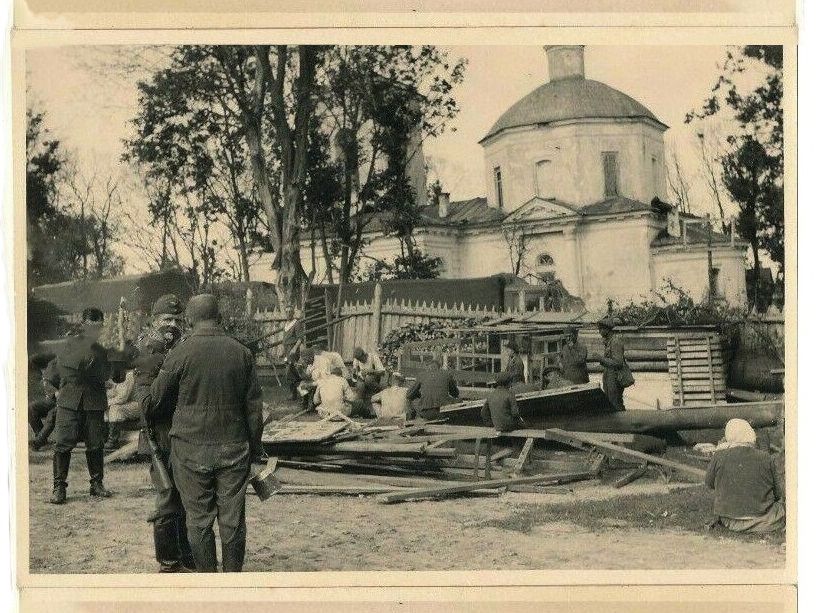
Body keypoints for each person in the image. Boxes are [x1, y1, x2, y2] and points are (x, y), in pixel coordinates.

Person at [146, 294, 263, 573]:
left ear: (189, 320)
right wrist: (256, 450)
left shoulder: (179, 353)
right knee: (233, 520)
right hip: (234, 448)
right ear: (219, 318)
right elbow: (254, 411)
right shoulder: (242, 353)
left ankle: (207, 581)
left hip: (189, 449)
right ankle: (232, 581)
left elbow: (155, 401)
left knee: (198, 521)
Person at [134, 293, 195, 573]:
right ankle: (169, 563)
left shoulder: (180, 347)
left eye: (176, 319)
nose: (172, 324)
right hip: (160, 436)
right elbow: (146, 405)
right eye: (166, 319)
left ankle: (187, 557)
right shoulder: (148, 352)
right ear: (155, 320)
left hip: (181, 435)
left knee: (184, 499)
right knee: (168, 498)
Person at [48, 307, 112, 505]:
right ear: (83, 326)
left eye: (99, 327)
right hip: (69, 402)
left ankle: (96, 484)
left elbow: (115, 377)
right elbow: (54, 373)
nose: (96, 330)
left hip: (94, 403)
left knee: (96, 444)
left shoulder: (103, 350)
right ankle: (59, 487)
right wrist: (55, 391)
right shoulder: (69, 345)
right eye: (92, 326)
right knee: (63, 444)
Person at [705, 419, 785, 533]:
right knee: (784, 507)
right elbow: (778, 494)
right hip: (763, 520)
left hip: (729, 521)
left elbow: (709, 483)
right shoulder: (766, 457)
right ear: (750, 434)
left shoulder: (718, 455)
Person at [590, 317, 632, 412]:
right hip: (609, 376)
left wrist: (601, 359)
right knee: (610, 403)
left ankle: (621, 425)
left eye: (601, 329)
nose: (599, 331)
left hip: (615, 377)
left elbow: (618, 362)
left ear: (607, 329)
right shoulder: (608, 342)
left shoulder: (615, 342)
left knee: (615, 403)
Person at [28, 352, 59, 451]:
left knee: (52, 413)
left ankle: (39, 440)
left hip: (68, 400)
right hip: (54, 399)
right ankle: (40, 437)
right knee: (31, 408)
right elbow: (48, 383)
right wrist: (55, 392)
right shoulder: (53, 363)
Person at [103, 366, 138, 450]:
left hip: (137, 404)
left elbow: (122, 397)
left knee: (115, 409)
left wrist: (105, 403)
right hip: (123, 404)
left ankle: (113, 441)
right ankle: (104, 439)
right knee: (107, 409)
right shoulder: (111, 376)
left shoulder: (128, 375)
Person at [351, 347, 386, 414]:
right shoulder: (357, 360)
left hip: (374, 379)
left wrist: (371, 371)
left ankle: (380, 390)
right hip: (363, 378)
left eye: (361, 359)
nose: (361, 361)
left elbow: (382, 372)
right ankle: (359, 409)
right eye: (359, 360)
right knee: (360, 385)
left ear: (364, 355)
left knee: (368, 379)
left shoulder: (373, 357)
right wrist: (357, 376)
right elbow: (354, 374)